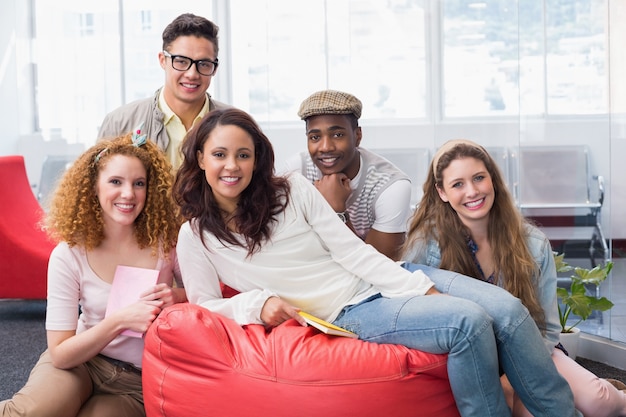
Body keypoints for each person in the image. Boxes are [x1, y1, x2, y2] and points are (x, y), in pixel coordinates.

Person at [173, 107, 579, 417]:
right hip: (350, 310)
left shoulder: (293, 190)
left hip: (390, 278)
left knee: (508, 309)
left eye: (243, 154)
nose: (232, 166)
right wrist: (255, 305)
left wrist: (419, 288)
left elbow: (352, 251)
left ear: (257, 158)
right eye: (220, 154)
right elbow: (204, 307)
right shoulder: (195, 236)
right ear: (201, 160)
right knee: (466, 322)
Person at [401, 139, 626, 417]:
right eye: (458, 184)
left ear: (492, 180)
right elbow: (418, 319)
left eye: (479, 178)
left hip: (532, 353)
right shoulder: (426, 246)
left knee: (602, 402)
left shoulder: (533, 243)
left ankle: (615, 393)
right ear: (442, 192)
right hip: (470, 364)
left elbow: (548, 326)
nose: (472, 191)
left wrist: (516, 376)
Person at [0, 131, 185, 416]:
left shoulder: (167, 243)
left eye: (139, 184)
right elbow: (61, 353)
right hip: (81, 363)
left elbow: (207, 298)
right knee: (31, 413)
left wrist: (178, 297)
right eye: (115, 182)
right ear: (94, 188)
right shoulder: (69, 254)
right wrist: (120, 320)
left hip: (137, 380)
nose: (128, 194)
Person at [282, 90, 412, 260]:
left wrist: (337, 211)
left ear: (357, 136)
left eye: (337, 135)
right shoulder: (297, 172)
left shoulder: (390, 186)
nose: (325, 147)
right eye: (315, 137)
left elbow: (378, 268)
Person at [98, 13, 229, 169]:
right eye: (181, 61)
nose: (192, 74)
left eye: (204, 64)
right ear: (162, 60)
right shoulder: (119, 124)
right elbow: (98, 188)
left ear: (215, 68)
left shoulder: (238, 125)